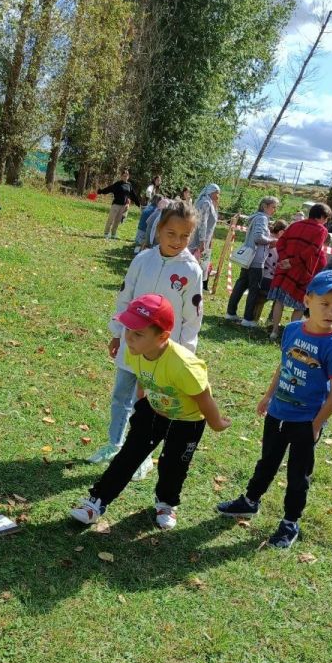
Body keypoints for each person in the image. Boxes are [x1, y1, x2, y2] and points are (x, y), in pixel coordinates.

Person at [71, 294, 230, 531]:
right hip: (153, 412)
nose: (129, 339)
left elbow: (203, 396)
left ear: (163, 336)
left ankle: (166, 503)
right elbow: (144, 379)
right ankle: (96, 502)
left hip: (186, 422)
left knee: (173, 466)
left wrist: (216, 423)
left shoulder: (184, 365)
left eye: (138, 334)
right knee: (128, 456)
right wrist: (143, 403)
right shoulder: (133, 351)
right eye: (128, 331)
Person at [216, 270, 332, 549]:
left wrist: (316, 425)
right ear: (308, 300)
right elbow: (283, 366)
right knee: (267, 461)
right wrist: (268, 396)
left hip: (306, 421)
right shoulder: (291, 330)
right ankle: (250, 501)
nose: (331, 312)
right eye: (325, 304)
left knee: (297, 475)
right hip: (278, 412)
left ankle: (290, 522)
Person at [88, 200, 203, 481]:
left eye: (185, 235)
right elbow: (125, 297)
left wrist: (185, 355)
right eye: (171, 233)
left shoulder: (192, 270)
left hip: (162, 354)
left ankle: (142, 456)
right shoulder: (143, 260)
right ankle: (114, 443)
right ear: (159, 229)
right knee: (121, 394)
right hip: (132, 344)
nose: (177, 241)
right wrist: (117, 333)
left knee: (150, 405)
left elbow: (192, 318)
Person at [267, 202, 331, 342]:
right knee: (300, 305)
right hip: (302, 271)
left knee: (279, 301)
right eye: (326, 219)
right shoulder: (321, 230)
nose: (326, 222)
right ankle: (290, 335)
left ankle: (274, 331)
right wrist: (292, 262)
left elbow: (280, 242)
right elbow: (313, 249)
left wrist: (285, 260)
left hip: (285, 268)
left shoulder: (294, 225)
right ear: (321, 217)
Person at [225, 196, 279, 328]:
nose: (274, 210)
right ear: (265, 206)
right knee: (254, 290)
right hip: (256, 259)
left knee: (241, 285)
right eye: (273, 207)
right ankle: (248, 318)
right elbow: (258, 237)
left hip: (249, 258)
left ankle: (230, 312)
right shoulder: (262, 218)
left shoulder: (257, 217)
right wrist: (271, 241)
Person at [255, 219, 288, 325]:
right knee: (278, 299)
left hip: (261, 274)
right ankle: (271, 321)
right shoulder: (278, 245)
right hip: (271, 278)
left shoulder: (266, 239)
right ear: (281, 232)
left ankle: (255, 317)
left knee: (259, 300)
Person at [188, 184, 220, 290]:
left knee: (200, 262)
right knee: (194, 261)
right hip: (198, 240)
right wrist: (202, 241)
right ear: (212, 192)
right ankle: (190, 284)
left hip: (205, 239)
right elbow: (202, 223)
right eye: (217, 192)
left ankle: (195, 284)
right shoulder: (205, 203)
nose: (219, 195)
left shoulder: (210, 203)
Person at [98, 169, 141, 239]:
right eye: (124, 176)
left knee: (117, 221)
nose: (125, 177)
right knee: (111, 219)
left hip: (123, 206)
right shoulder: (118, 184)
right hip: (116, 205)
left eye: (126, 176)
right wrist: (101, 191)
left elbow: (133, 195)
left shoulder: (129, 185)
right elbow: (109, 189)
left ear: (128, 176)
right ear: (121, 176)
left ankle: (113, 234)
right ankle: (106, 233)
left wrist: (138, 203)